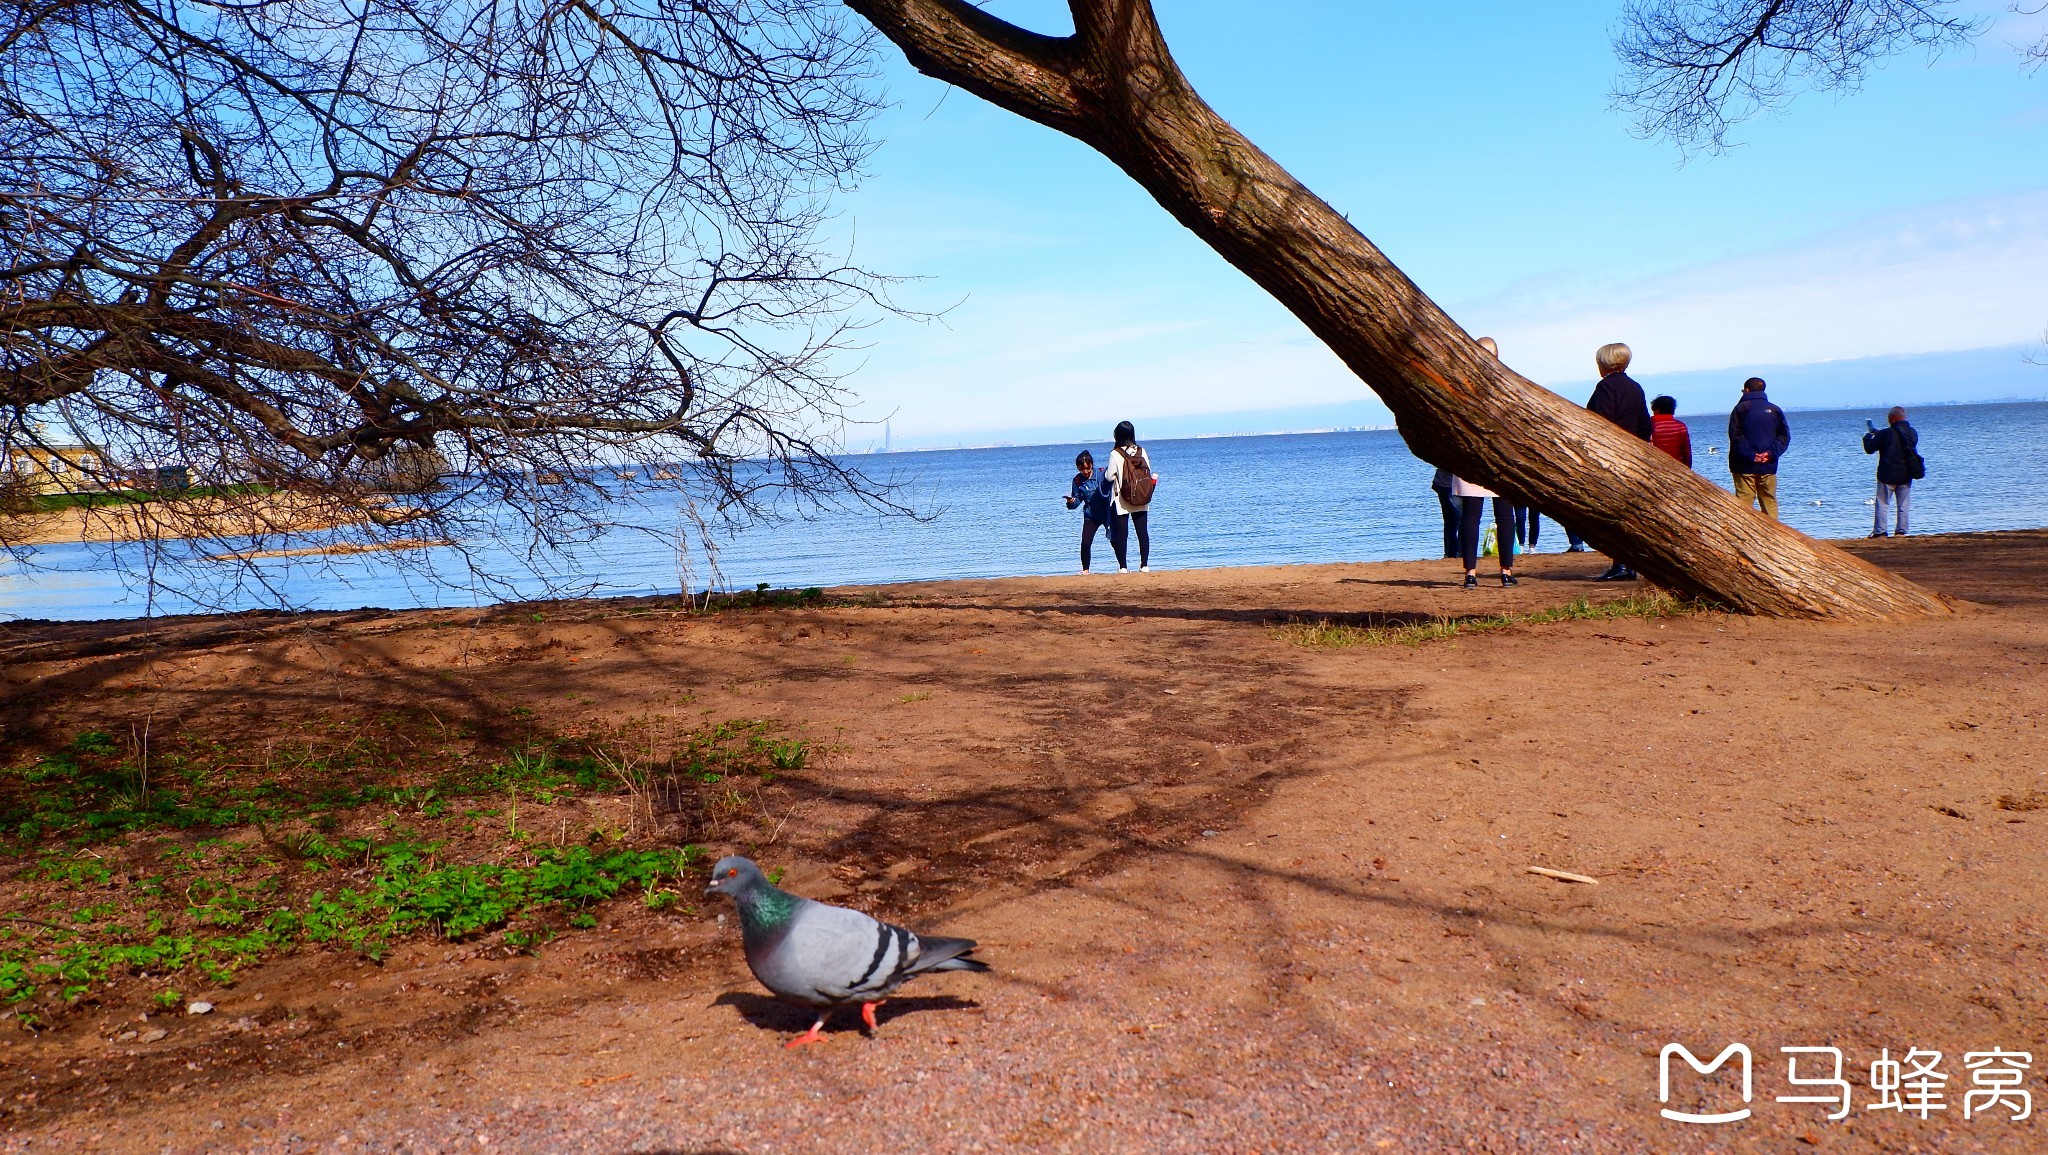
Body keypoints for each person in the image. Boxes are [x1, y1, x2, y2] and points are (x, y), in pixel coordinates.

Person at [1582, 342, 1654, 579]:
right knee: (1628, 509)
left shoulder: (1605, 387)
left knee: (1612, 510)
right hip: (1633, 453)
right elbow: (1645, 423)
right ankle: (1629, 563)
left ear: (1604, 363)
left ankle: (1620, 564)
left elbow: (1600, 421)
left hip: (1612, 454)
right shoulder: (1635, 387)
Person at [1727, 376, 1791, 520]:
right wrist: (1770, 453)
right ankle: (1775, 535)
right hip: (1768, 464)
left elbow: (1735, 436)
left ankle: (1743, 534)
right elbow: (1784, 436)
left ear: (1747, 390)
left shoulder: (1740, 409)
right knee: (1769, 500)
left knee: (1744, 502)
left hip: (1743, 464)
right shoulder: (1775, 410)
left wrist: (1751, 455)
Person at [1102, 420, 1158, 572]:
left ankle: (1123, 567)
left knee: (1122, 535)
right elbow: (1148, 471)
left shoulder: (1115, 454)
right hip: (1141, 496)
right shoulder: (1141, 451)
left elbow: (1109, 477)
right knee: (1142, 532)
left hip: (1122, 499)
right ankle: (1145, 565)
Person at [1452, 473, 1517, 588]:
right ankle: (1506, 572)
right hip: (1499, 466)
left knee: (1470, 515)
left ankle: (1470, 574)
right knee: (1505, 516)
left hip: (1470, 465)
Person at [1863, 406, 1919, 537]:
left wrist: (1867, 437)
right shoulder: (1912, 433)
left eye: (1889, 418)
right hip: (1905, 474)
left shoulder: (1885, 433)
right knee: (1903, 506)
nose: (1888, 421)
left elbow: (1870, 449)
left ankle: (1880, 531)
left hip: (1886, 474)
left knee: (1882, 504)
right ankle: (1901, 531)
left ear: (1893, 418)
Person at [1063, 450, 1111, 572]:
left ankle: (1123, 567)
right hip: (1091, 515)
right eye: (1081, 469)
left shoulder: (1101, 473)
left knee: (1115, 539)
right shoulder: (1077, 481)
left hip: (1107, 513)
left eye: (1087, 468)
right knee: (1085, 543)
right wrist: (1071, 502)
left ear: (1091, 465)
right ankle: (1085, 570)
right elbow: (1077, 500)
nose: (1085, 472)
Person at [1650, 395, 1693, 467]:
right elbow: (1687, 453)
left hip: (1653, 466)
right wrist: (1687, 469)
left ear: (1654, 409)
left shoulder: (1649, 425)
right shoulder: (1680, 426)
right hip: (1676, 466)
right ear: (1673, 410)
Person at [1431, 466, 1461, 560]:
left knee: (1451, 521)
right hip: (1450, 484)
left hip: (1443, 482)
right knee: (1460, 520)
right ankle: (1459, 552)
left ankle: (1450, 552)